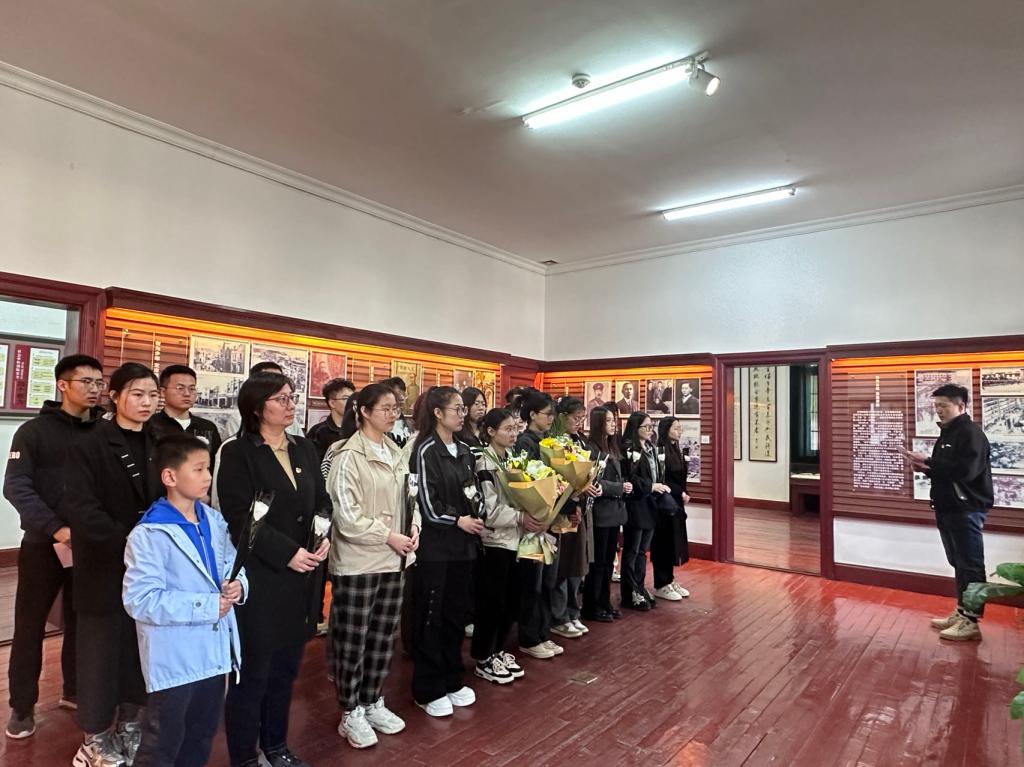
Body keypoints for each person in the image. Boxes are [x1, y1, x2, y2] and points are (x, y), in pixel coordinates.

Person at [215, 372, 330, 767]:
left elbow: (322, 500)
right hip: (262, 577)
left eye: (291, 396)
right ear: (256, 407)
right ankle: (244, 756)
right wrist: (287, 553)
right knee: (253, 675)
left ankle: (276, 746)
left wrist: (321, 535)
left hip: (304, 575)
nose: (290, 404)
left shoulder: (303, 448)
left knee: (286, 670)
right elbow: (238, 517)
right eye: (280, 398)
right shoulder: (239, 452)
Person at [123, 434, 247, 767]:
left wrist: (238, 585)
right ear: (170, 476)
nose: (208, 476)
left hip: (213, 653)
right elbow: (140, 599)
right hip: (175, 659)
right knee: (162, 743)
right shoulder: (150, 533)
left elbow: (232, 564)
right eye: (199, 469)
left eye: (208, 468)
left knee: (201, 735)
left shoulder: (213, 520)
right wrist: (206, 606)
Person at [63, 362, 163, 766]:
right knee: (100, 656)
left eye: (152, 395)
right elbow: (80, 508)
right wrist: (129, 540)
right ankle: (94, 739)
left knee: (139, 652)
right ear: (115, 396)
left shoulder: (160, 442)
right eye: (137, 394)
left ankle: (130, 724)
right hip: (104, 566)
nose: (146, 402)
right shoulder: (88, 444)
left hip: (150, 568)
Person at [3, 354, 105, 740]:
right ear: (63, 385)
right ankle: (21, 706)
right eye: (86, 382)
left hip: (90, 547)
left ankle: (75, 690)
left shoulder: (103, 432)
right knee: (30, 625)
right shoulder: (33, 432)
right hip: (43, 544)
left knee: (84, 621)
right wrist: (57, 529)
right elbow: (16, 487)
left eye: (98, 383)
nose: (94, 389)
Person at [325, 383, 418, 748]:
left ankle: (372, 699)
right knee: (353, 639)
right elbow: (346, 516)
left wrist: (414, 528)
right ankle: (349, 710)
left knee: (382, 636)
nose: (393, 415)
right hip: (359, 561)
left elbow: (410, 497)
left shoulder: (396, 450)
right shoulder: (347, 455)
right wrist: (388, 535)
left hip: (395, 558)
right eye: (385, 408)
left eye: (396, 408)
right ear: (363, 411)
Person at [409, 386, 483, 717]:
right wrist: (457, 520)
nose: (462, 414)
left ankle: (453, 678)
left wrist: (477, 513)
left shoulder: (465, 450)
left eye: (463, 409)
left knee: (455, 615)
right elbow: (426, 503)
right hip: (435, 548)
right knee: (431, 617)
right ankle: (428, 687)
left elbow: (473, 491)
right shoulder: (424, 451)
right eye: (457, 409)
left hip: (464, 547)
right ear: (437, 413)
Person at [901, 383, 993, 642]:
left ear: (961, 406)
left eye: (943, 405)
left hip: (966, 509)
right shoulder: (948, 433)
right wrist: (926, 469)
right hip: (948, 507)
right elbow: (947, 471)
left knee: (971, 564)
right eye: (936, 406)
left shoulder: (970, 433)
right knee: (958, 562)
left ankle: (971, 622)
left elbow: (966, 472)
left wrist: (929, 461)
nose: (938, 410)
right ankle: (962, 612)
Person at [471, 408, 535, 684]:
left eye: (515, 428)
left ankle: (497, 649)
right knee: (492, 602)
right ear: (490, 431)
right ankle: (483, 656)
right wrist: (520, 517)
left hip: (517, 539)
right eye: (508, 429)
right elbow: (487, 509)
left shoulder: (513, 460)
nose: (514, 434)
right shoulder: (484, 463)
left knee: (512, 601)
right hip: (495, 541)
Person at [514, 390, 562, 660]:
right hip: (533, 521)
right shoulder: (525, 443)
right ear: (532, 415)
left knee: (547, 581)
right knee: (532, 582)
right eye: (547, 414)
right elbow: (527, 481)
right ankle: (530, 637)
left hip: (550, 519)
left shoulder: (548, 441)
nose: (551, 419)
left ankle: (543, 632)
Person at [550, 398, 597, 640]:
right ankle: (559, 616)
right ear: (562, 417)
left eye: (582, 418)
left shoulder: (580, 441)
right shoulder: (553, 442)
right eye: (576, 418)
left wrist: (589, 485)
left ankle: (572, 611)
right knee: (563, 566)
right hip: (561, 511)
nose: (579, 422)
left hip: (580, 508)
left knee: (578, 564)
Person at [582, 406, 631, 622]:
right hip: (600, 512)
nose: (614, 424)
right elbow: (594, 482)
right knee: (598, 562)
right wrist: (619, 487)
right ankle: (592, 605)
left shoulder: (612, 446)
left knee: (609, 561)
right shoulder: (592, 448)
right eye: (609, 420)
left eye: (614, 420)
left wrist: (622, 486)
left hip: (614, 511)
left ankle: (604, 602)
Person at [619, 412, 671, 611]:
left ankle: (639, 587)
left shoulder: (650, 448)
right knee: (632, 550)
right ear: (636, 428)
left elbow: (657, 472)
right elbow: (630, 477)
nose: (650, 430)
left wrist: (659, 485)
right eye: (646, 427)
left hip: (651, 504)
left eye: (651, 426)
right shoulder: (628, 448)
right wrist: (650, 486)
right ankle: (629, 592)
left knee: (642, 551)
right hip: (636, 503)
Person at [148, 364, 223, 466]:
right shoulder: (150, 425)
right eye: (180, 388)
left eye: (192, 388)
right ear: (162, 392)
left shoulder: (208, 427)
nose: (187, 393)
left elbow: (216, 465)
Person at [652, 418, 692, 601]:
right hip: (665, 502)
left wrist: (685, 492)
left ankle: (669, 579)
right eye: (676, 428)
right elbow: (663, 478)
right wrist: (679, 492)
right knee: (663, 542)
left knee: (674, 542)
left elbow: (680, 477)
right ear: (666, 430)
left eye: (680, 428)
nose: (680, 431)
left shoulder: (676, 448)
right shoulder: (660, 450)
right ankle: (661, 583)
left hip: (676, 501)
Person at [220, 362, 305, 440]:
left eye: (279, 378)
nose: (292, 406)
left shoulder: (289, 419)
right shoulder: (238, 419)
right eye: (281, 398)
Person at [306, 378, 356, 461]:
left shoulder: (359, 429)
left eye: (353, 399)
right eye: (346, 398)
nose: (352, 403)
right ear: (332, 403)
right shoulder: (318, 432)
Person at [381, 377, 412, 448]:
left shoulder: (407, 424)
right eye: (398, 394)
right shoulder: (380, 423)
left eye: (403, 393)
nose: (402, 398)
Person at [455, 386, 488, 451]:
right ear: (466, 407)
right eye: (476, 404)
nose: (481, 408)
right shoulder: (458, 433)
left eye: (483, 404)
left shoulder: (486, 430)